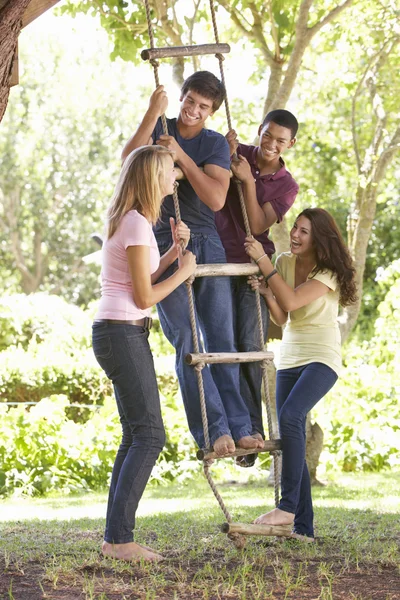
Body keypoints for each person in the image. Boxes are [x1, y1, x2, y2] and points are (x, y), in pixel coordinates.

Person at [121, 71, 263, 457]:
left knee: (221, 340)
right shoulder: (160, 126)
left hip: (206, 242)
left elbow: (216, 199)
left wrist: (180, 156)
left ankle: (242, 426)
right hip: (164, 240)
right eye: (189, 102)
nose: (193, 111)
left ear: (212, 111)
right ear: (181, 96)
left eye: (203, 107)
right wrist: (153, 112)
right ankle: (214, 430)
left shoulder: (214, 143)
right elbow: (127, 162)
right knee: (188, 339)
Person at [92, 145, 197, 562]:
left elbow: (141, 280)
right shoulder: (135, 225)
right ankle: (120, 541)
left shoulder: (131, 222)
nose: (175, 178)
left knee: (136, 434)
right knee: (151, 435)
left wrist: (172, 255)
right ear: (153, 177)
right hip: (122, 332)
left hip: (118, 331)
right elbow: (144, 295)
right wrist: (185, 272)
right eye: (171, 172)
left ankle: (114, 538)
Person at [244, 208, 357, 540]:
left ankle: (288, 506)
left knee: (292, 416)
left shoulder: (329, 272)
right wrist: (267, 292)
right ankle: (303, 529)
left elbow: (292, 301)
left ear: (318, 237)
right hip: (290, 357)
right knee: (290, 435)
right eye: (295, 228)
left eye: (304, 232)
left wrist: (263, 263)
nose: (295, 234)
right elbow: (283, 317)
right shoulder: (284, 263)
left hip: (321, 358)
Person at [215, 110, 299, 465]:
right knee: (222, 348)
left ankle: (254, 431)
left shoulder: (287, 184)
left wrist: (248, 182)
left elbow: (260, 223)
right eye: (267, 136)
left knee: (251, 347)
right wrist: (225, 150)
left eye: (280, 140)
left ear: (290, 144)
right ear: (260, 131)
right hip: (217, 260)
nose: (271, 145)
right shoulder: (238, 153)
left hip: (252, 264)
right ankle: (234, 430)